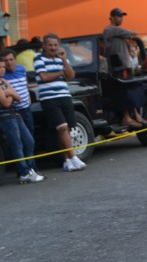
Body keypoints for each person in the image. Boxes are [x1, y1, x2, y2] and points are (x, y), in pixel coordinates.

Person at [34, 34, 86, 172]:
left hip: (65, 95)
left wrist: (63, 60)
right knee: (62, 127)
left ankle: (67, 160)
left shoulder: (61, 59)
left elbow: (71, 75)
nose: (53, 48)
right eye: (50, 45)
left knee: (66, 129)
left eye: (55, 45)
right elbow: (44, 77)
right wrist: (61, 72)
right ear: (44, 46)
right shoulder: (38, 58)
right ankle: (74, 157)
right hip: (49, 98)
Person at [1, 48, 44, 183]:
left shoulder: (19, 70)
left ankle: (32, 168)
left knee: (29, 141)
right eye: (4, 63)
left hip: (23, 109)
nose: (7, 65)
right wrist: (11, 94)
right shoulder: (4, 79)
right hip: (9, 113)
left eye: (10, 60)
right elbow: (7, 102)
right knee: (17, 143)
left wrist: (12, 94)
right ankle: (24, 172)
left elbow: (18, 94)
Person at [102, 7, 146, 128]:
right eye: (118, 16)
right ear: (111, 18)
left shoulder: (118, 34)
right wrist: (131, 33)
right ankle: (126, 117)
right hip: (118, 67)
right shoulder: (109, 30)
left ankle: (136, 114)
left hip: (125, 65)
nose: (120, 18)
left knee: (130, 91)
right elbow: (130, 32)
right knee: (123, 91)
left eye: (121, 16)